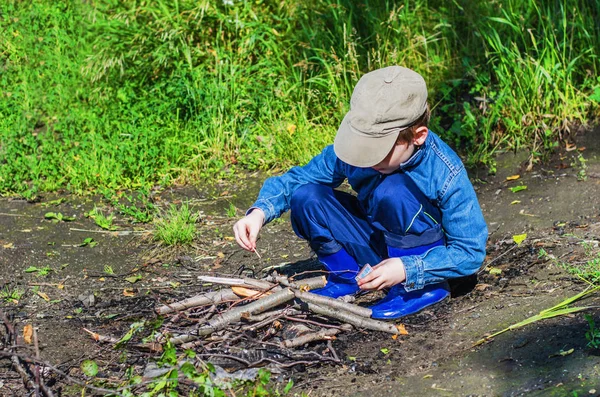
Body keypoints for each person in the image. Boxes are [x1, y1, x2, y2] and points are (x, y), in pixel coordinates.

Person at [233, 66, 488, 320]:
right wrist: (258, 212)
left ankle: (419, 289)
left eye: (379, 149)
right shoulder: (356, 152)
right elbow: (299, 179)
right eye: (364, 145)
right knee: (307, 197)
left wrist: (408, 268)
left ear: (418, 136)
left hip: (422, 261)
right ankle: (347, 276)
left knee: (393, 191)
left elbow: (469, 252)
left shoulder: (445, 172)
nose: (366, 156)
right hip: (378, 242)